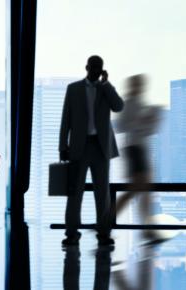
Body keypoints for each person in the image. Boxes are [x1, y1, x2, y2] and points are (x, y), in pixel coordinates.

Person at [59, 55, 124, 247]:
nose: (96, 70)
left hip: (101, 147)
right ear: (87, 67)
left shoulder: (105, 89)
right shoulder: (74, 89)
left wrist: (107, 84)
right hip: (79, 147)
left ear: (102, 69)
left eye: (99, 67)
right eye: (93, 67)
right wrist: (63, 147)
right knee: (74, 193)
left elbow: (118, 106)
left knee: (102, 193)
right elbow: (66, 120)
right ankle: (71, 233)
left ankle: (103, 234)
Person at [115, 74, 162, 243]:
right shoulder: (128, 104)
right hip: (134, 149)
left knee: (142, 190)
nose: (141, 87)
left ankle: (146, 229)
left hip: (139, 149)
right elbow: (120, 126)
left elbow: (148, 130)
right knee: (137, 189)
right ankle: (106, 222)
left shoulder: (141, 104)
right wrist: (139, 122)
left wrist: (149, 122)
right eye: (138, 84)